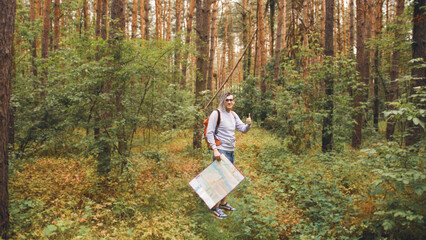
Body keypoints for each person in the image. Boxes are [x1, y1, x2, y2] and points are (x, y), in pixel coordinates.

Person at [205, 92, 252, 219]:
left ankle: (223, 203)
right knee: (219, 180)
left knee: (227, 179)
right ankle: (214, 208)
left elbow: (242, 129)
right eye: (227, 100)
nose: (229, 102)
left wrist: (248, 124)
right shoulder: (216, 113)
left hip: (231, 150)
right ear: (223, 101)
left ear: (234, 101)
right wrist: (215, 150)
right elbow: (209, 133)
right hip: (221, 150)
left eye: (231, 100)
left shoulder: (233, 114)